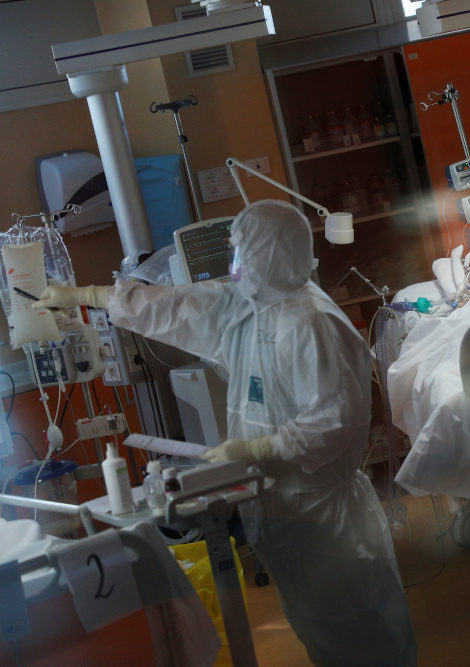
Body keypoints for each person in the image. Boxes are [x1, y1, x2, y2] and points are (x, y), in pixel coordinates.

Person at [35, 199, 417, 666]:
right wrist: (87, 296)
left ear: (267, 255)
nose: (233, 263)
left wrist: (257, 447)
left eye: (239, 251)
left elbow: (332, 423)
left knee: (356, 633)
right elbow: (181, 307)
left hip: (323, 516)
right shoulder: (254, 304)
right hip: (286, 506)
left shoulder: (311, 324)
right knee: (323, 634)